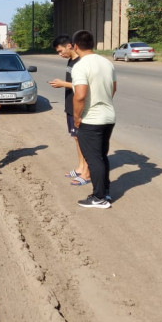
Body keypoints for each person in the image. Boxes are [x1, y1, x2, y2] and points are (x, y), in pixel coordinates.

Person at [71, 30, 117, 209]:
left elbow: (80, 95)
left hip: (91, 119)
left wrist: (77, 117)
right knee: (102, 156)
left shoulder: (80, 66)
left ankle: (99, 198)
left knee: (93, 159)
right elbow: (113, 89)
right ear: (93, 44)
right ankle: (105, 191)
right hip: (108, 116)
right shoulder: (107, 63)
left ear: (75, 46)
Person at [49, 35, 90, 186]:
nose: (60, 54)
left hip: (78, 106)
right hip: (70, 105)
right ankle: (80, 166)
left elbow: (83, 86)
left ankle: (87, 172)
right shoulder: (71, 61)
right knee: (76, 138)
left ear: (69, 46)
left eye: (60, 51)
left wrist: (63, 84)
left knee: (83, 139)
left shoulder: (81, 61)